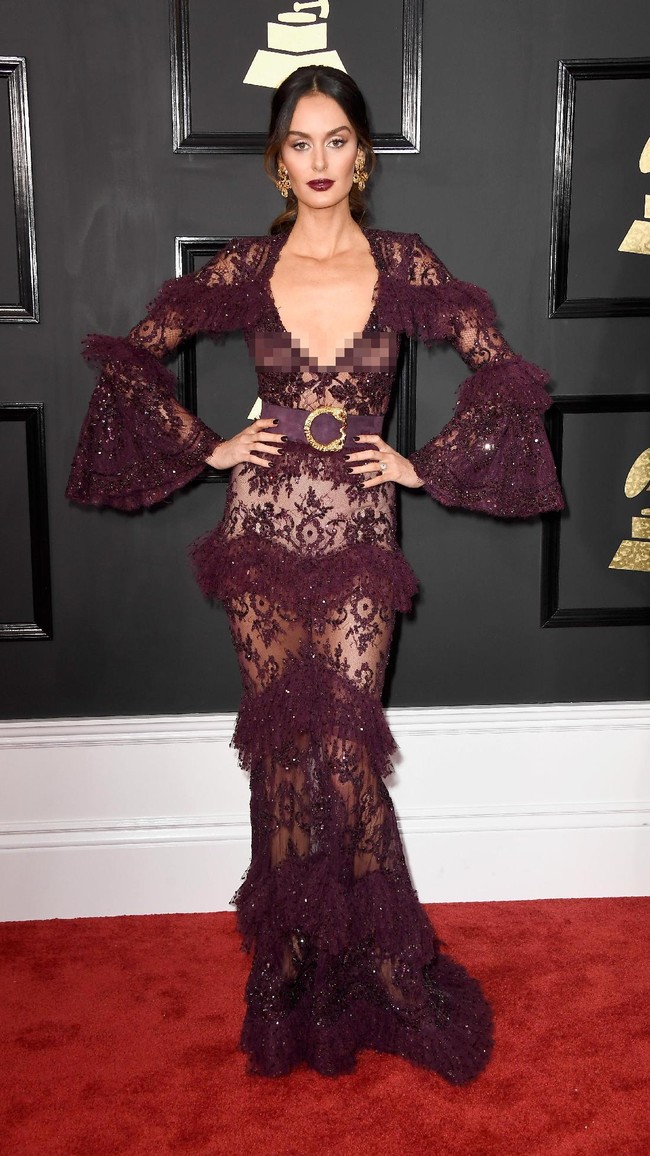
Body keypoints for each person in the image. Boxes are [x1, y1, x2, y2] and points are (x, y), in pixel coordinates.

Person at [66, 65, 563, 1082]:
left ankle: (378, 965)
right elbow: (132, 357)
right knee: (283, 754)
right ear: (275, 158)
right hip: (260, 528)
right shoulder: (246, 264)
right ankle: (291, 966)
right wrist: (206, 446)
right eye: (300, 143)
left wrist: (423, 463)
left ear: (363, 153)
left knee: (341, 752)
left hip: (357, 525)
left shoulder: (404, 262)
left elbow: (501, 372)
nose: (319, 162)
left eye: (336, 140)